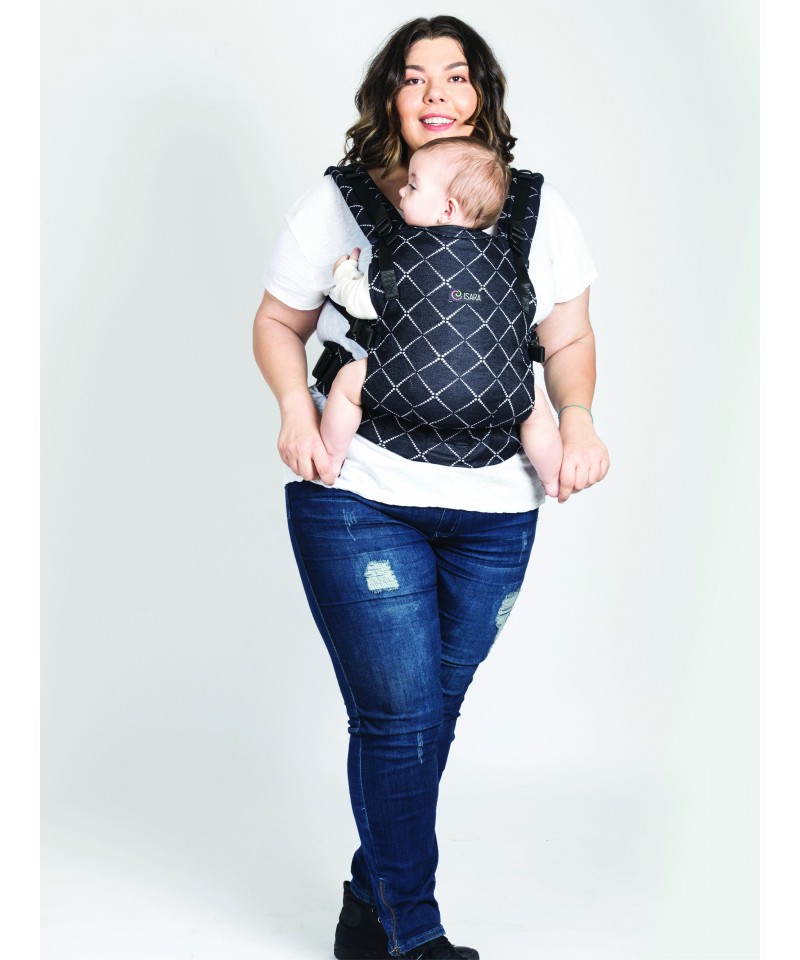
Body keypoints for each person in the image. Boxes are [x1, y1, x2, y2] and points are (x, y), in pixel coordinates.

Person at [252, 15, 610, 959]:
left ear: (482, 95)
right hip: (359, 491)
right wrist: (295, 412)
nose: (436, 93)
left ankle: (368, 907)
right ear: (391, 97)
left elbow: (568, 340)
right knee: (399, 717)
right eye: (414, 78)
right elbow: (279, 322)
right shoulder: (339, 204)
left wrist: (575, 420)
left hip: (496, 511)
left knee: (424, 720)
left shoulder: (535, 208)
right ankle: (416, 935)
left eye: (456, 75)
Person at [321, 136, 563, 497]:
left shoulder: (405, 253)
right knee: (536, 407)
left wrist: (345, 273)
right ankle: (553, 478)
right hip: (496, 394)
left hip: (409, 385)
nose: (402, 191)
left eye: (413, 186)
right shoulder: (508, 260)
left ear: (446, 210)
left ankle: (330, 459)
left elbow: (360, 302)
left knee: (347, 383)